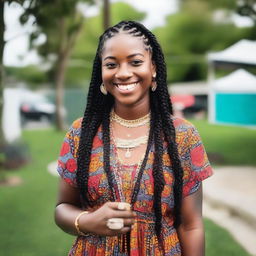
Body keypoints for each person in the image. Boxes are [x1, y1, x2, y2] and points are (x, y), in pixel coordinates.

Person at [55, 20, 213, 256]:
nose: (123, 73)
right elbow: (62, 208)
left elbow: (191, 225)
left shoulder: (182, 136)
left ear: (154, 67)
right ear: (101, 72)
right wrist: (88, 221)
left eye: (135, 62)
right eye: (111, 64)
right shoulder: (82, 133)